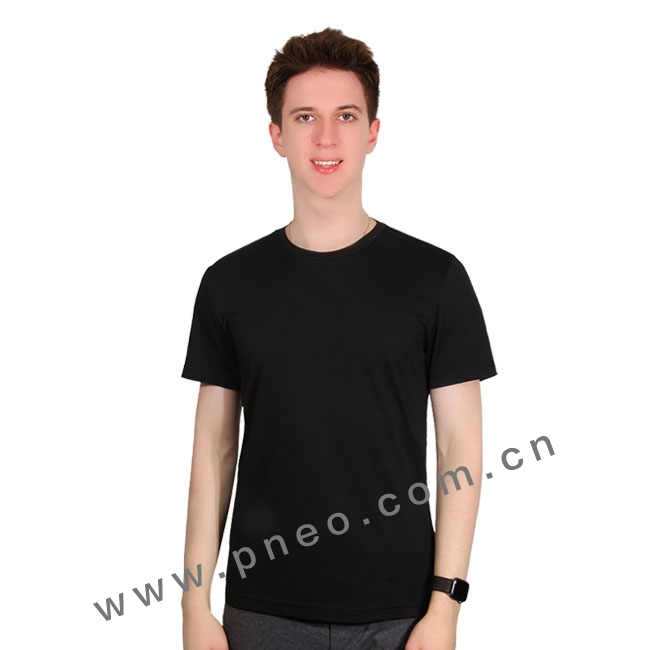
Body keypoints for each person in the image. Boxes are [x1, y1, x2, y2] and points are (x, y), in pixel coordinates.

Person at [180, 27, 497, 650]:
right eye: (305, 117)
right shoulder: (228, 284)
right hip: (262, 611)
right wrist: (194, 604)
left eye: (345, 116)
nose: (326, 138)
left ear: (372, 132)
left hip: (401, 615)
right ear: (277, 135)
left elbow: (459, 448)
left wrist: (446, 607)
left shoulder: (435, 278)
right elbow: (213, 451)